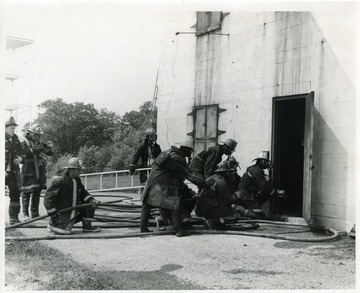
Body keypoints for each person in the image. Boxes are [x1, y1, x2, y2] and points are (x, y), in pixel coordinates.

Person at [139, 136, 205, 237]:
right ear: (186, 149)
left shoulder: (169, 152)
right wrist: (204, 183)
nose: (190, 154)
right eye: (190, 151)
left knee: (147, 204)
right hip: (161, 183)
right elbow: (189, 174)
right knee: (175, 205)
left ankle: (143, 228)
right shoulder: (177, 158)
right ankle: (179, 231)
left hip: (152, 181)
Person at [44, 157, 101, 235]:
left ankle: (87, 227)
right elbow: (48, 198)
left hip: (74, 212)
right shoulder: (60, 182)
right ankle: (54, 224)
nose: (80, 172)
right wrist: (53, 213)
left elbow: (83, 193)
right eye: (78, 170)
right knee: (65, 232)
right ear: (71, 170)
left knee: (90, 205)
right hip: (63, 214)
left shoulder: (77, 181)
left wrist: (91, 200)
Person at [195, 161, 255, 229]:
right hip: (209, 208)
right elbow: (227, 200)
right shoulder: (221, 182)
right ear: (226, 172)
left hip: (201, 208)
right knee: (235, 215)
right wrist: (237, 195)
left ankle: (213, 220)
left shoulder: (212, 178)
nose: (232, 174)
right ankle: (213, 221)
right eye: (231, 172)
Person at [237, 151, 286, 218]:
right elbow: (264, 187)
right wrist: (277, 192)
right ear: (262, 161)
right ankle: (242, 210)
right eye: (266, 162)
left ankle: (252, 208)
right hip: (246, 197)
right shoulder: (257, 171)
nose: (268, 164)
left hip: (248, 195)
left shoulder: (255, 169)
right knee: (260, 216)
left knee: (269, 194)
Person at [21, 125, 54, 219]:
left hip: (39, 171)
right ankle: (25, 214)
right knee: (26, 192)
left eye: (39, 135)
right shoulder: (24, 142)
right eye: (35, 135)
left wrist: (48, 148)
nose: (37, 137)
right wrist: (36, 149)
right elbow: (22, 153)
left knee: (37, 192)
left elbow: (51, 153)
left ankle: (35, 214)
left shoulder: (40, 143)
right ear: (30, 134)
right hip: (28, 170)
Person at [5, 117, 25, 224]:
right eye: (11, 128)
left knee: (15, 192)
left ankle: (13, 218)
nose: (13, 130)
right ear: (5, 128)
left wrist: (21, 159)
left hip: (12, 171)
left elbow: (23, 152)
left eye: (14, 128)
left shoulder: (15, 138)